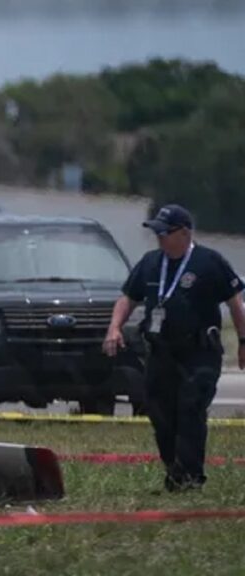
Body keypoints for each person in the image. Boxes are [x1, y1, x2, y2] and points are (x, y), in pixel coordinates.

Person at [104, 204, 245, 492]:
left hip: (199, 352)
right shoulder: (151, 263)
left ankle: (191, 477)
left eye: (164, 233)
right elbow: (127, 299)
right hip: (161, 352)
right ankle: (175, 468)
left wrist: (243, 341)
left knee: (191, 408)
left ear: (184, 233)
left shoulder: (209, 262)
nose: (159, 238)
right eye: (157, 233)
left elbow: (235, 304)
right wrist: (114, 327)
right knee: (160, 413)